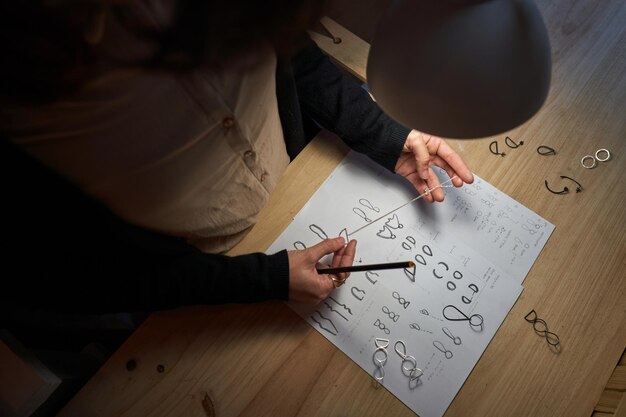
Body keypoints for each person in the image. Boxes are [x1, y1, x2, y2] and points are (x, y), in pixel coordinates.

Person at [0, 0, 473, 315]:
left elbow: (296, 60)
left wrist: (387, 137)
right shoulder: (24, 103)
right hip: (209, 276)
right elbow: (84, 277)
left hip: (304, 183)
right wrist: (264, 280)